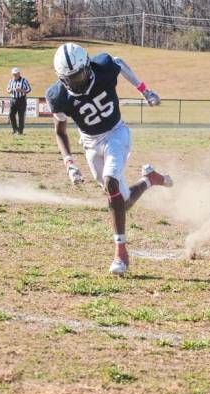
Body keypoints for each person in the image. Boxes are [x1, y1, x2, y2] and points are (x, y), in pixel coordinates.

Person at [45, 43, 172, 275]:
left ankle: (120, 254)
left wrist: (145, 90)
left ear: (88, 66)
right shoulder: (59, 96)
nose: (77, 81)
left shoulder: (102, 67)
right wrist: (69, 164)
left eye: (80, 74)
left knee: (111, 180)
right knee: (121, 202)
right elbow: (60, 131)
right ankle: (149, 180)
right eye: (70, 78)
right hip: (90, 143)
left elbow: (119, 62)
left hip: (116, 133)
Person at [6, 67, 31, 135]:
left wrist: (21, 90)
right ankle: (15, 129)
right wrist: (10, 90)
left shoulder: (24, 80)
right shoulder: (11, 81)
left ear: (19, 73)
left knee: (21, 116)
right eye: (13, 74)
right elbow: (7, 89)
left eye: (16, 74)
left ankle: (20, 131)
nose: (14, 75)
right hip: (13, 99)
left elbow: (29, 89)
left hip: (21, 99)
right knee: (11, 115)